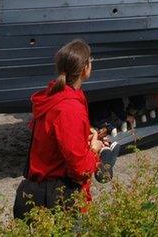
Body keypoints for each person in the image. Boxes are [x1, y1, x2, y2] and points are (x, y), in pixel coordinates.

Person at [15, 39, 118, 216]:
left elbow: (58, 138)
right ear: (85, 68)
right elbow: (79, 169)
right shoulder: (69, 107)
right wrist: (95, 150)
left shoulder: (55, 95)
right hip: (57, 195)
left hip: (42, 185)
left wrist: (85, 135)